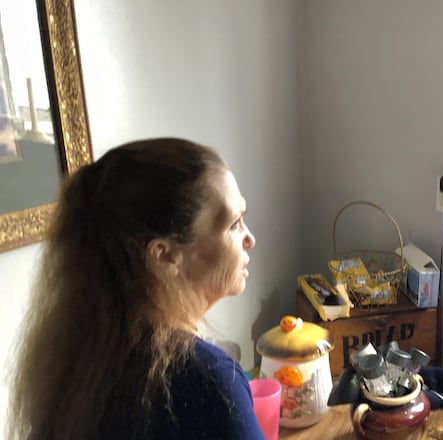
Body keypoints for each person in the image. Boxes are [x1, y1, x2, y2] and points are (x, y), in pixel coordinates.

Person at [8, 138, 265, 439]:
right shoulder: (208, 380)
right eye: (234, 224)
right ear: (165, 255)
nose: (249, 239)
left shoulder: (81, 363)